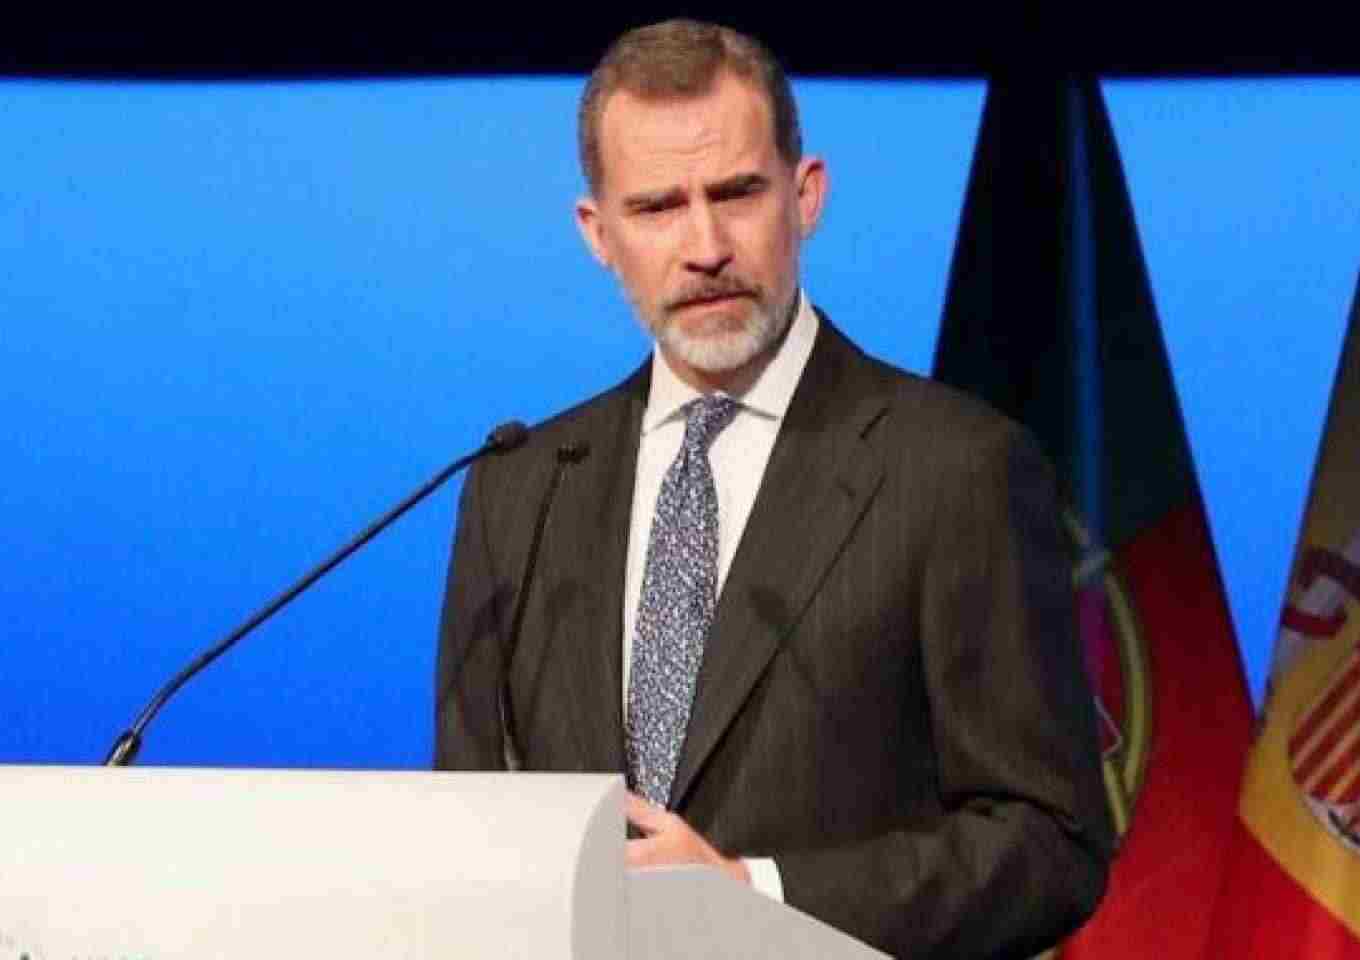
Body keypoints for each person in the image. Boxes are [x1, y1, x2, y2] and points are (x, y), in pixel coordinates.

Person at [434, 18, 1112, 958]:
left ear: (806, 195)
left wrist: (756, 894)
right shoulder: (519, 489)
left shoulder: (955, 469)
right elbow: (471, 829)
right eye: (658, 208)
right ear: (598, 234)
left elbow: (1050, 843)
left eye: (737, 193)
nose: (705, 245)